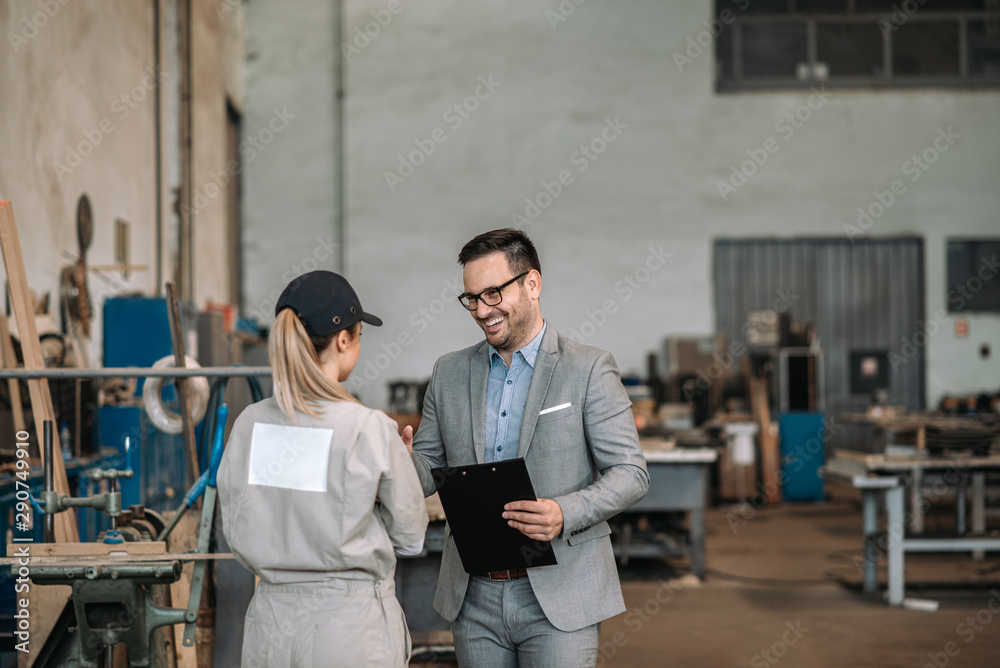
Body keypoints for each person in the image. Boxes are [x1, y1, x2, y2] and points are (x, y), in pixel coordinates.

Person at [405, 228, 650, 667]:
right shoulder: (449, 373)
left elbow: (631, 473)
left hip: (561, 593)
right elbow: (427, 466)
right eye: (471, 299)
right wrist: (397, 463)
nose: (482, 310)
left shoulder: (588, 368)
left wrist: (564, 512)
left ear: (532, 284)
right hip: (473, 596)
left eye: (493, 293)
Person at [218, 270, 428, 668]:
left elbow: (237, 523)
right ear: (344, 339)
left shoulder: (250, 424)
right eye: (359, 335)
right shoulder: (367, 428)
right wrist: (395, 470)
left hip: (269, 626)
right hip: (347, 630)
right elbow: (412, 538)